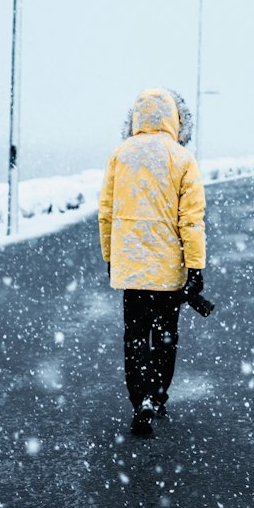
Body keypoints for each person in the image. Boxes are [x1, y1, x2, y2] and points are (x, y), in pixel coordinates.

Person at [98, 87, 207, 438]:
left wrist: (110, 257)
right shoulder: (182, 159)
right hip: (168, 270)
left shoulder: (121, 155)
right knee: (164, 337)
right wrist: (195, 267)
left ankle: (139, 399)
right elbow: (191, 220)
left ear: (136, 118)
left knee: (134, 337)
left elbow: (106, 213)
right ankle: (158, 398)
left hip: (132, 268)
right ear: (174, 119)